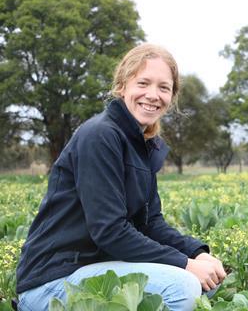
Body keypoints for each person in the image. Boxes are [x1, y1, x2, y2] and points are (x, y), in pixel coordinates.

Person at [16, 43, 226, 311]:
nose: (153, 95)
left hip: (95, 268)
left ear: (171, 97)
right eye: (143, 83)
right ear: (122, 86)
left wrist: (197, 253)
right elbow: (110, 231)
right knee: (183, 286)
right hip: (53, 283)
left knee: (208, 279)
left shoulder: (143, 145)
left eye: (164, 87)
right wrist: (185, 264)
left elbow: (151, 223)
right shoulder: (100, 136)